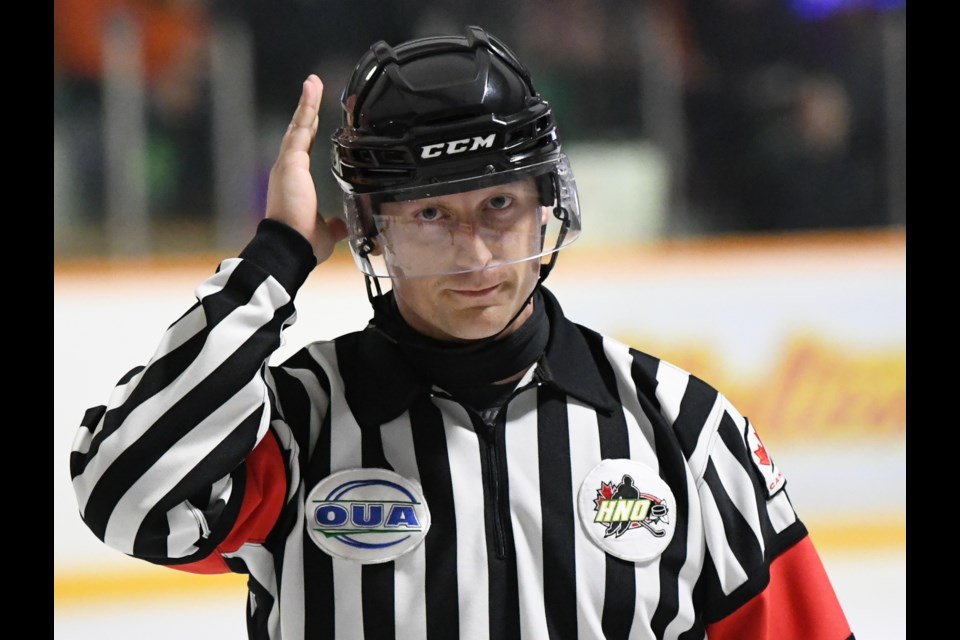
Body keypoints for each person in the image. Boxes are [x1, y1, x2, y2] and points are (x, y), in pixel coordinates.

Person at [70, 26, 854, 640]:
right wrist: (272, 259)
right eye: (432, 216)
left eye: (499, 207)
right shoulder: (296, 421)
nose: (475, 253)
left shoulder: (682, 429)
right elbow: (122, 494)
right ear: (373, 230)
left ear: (547, 202)